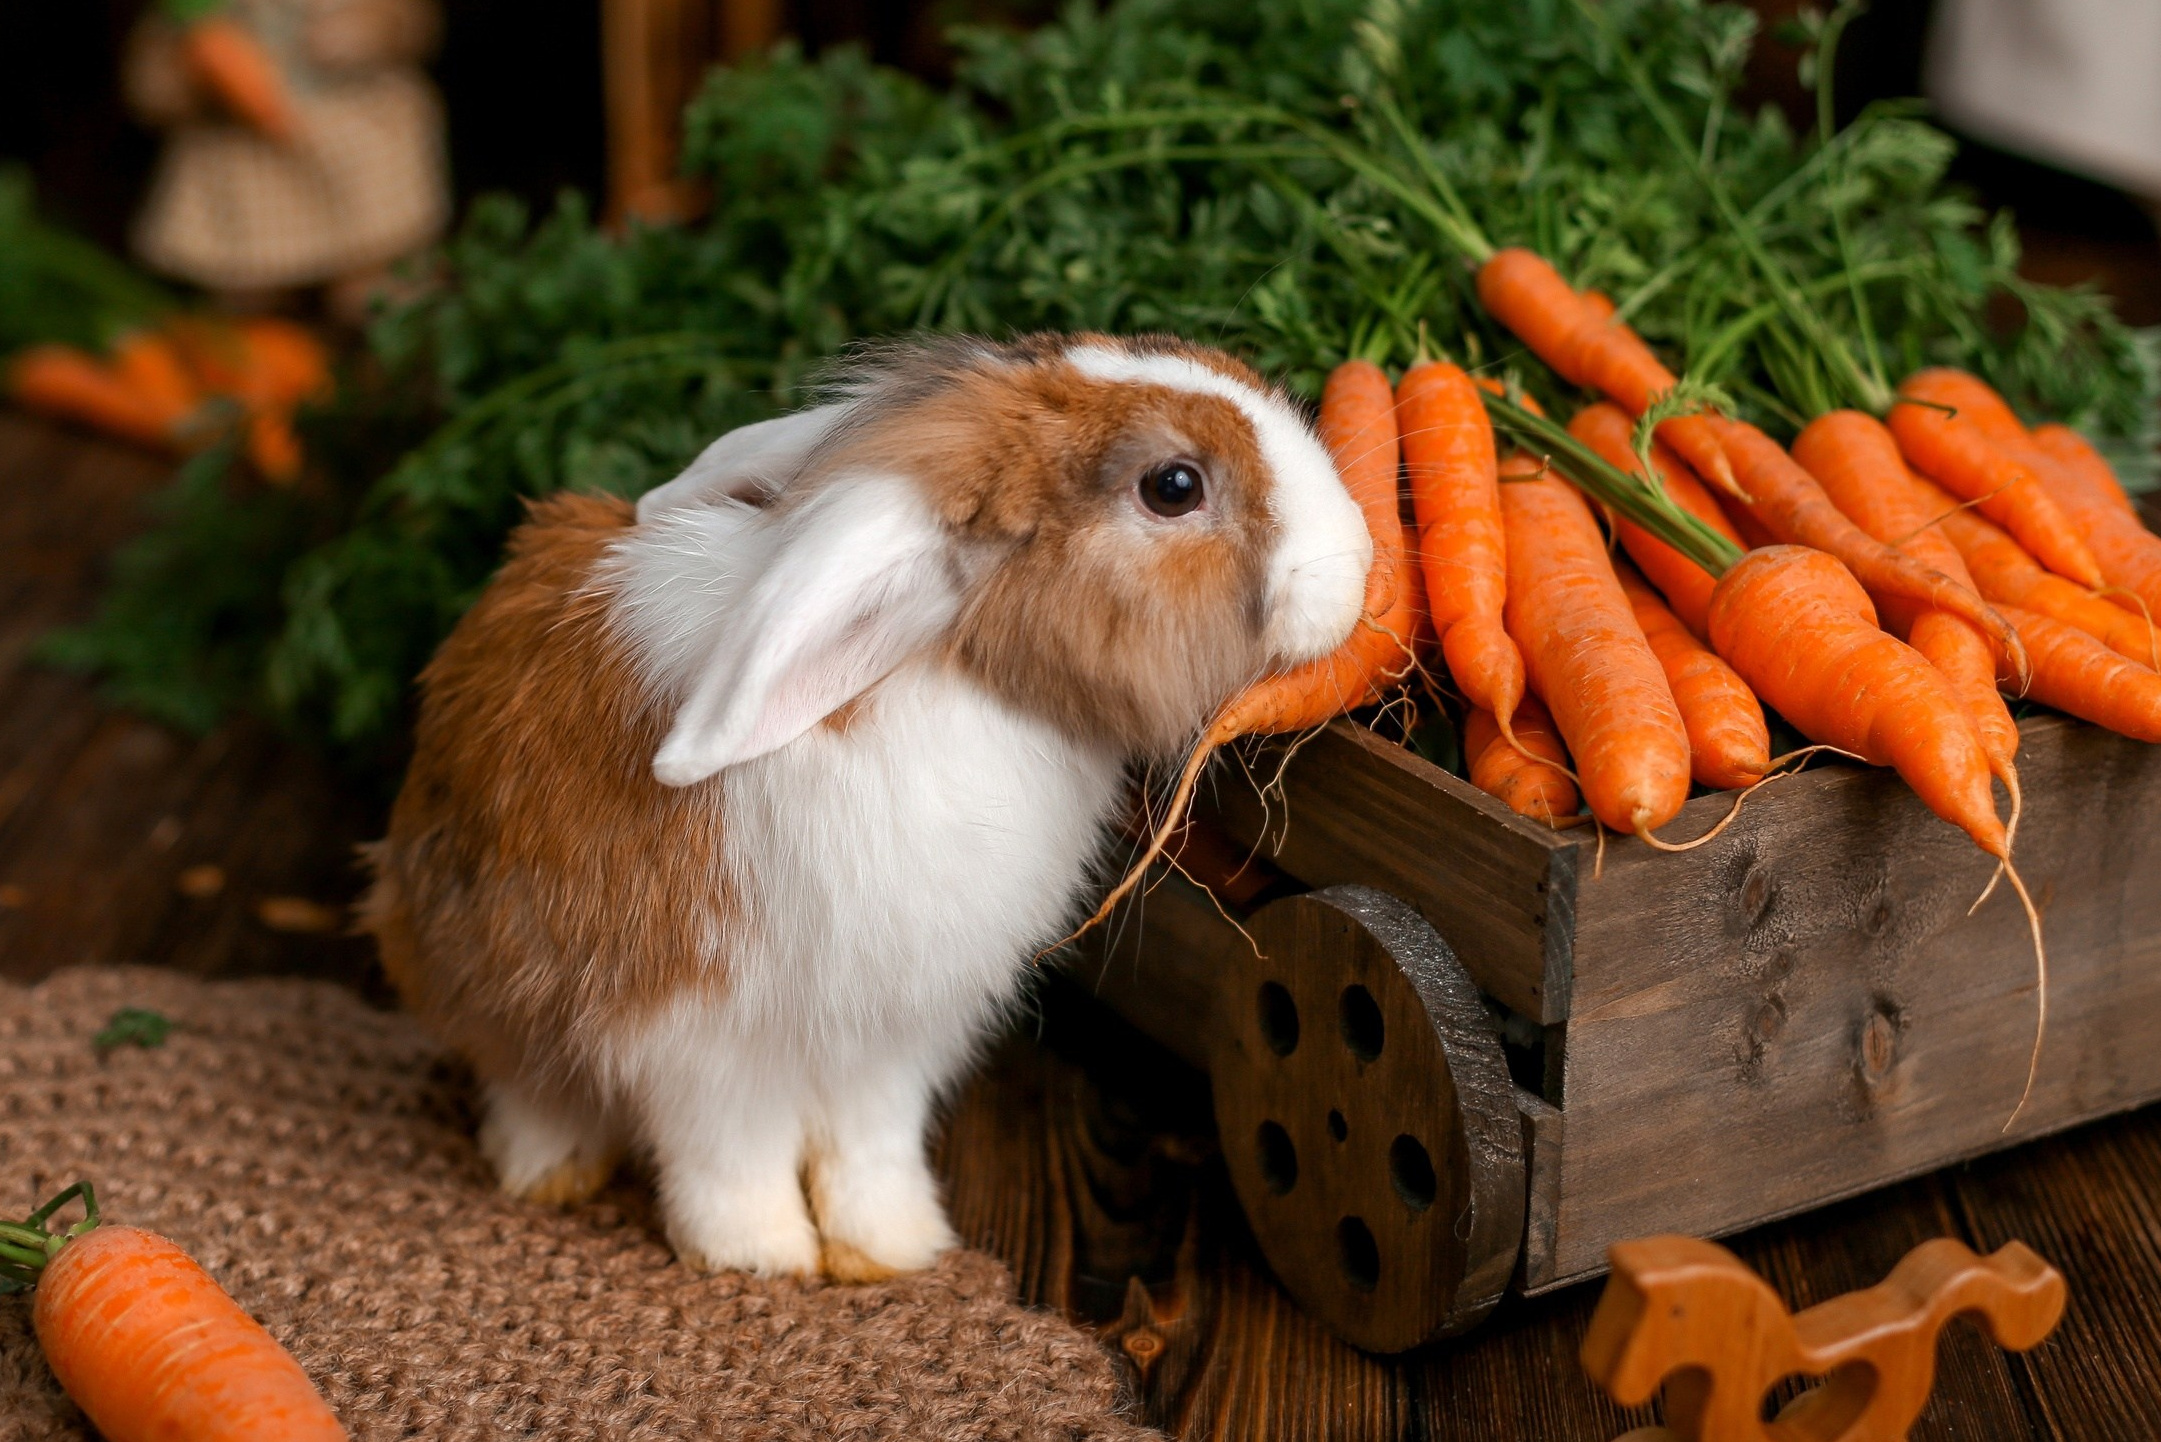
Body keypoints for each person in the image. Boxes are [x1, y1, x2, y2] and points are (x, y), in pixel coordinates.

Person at [123, 0, 450, 322]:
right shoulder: (192, 12)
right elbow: (149, 89)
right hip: (247, 177)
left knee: (379, 282)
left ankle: (386, 338)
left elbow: (417, 23)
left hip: (355, 158)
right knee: (246, 295)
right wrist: (199, 72)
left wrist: (379, 28)